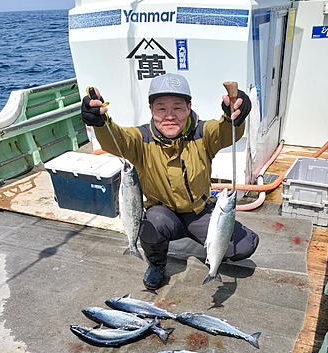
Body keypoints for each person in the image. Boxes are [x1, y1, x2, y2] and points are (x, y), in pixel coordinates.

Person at [81, 73, 259, 290]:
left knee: (245, 245)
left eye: (177, 107)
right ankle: (156, 263)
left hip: (200, 213)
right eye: (161, 108)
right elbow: (115, 138)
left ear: (189, 107)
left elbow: (226, 130)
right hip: (163, 216)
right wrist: (100, 122)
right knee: (149, 225)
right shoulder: (140, 139)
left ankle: (208, 245)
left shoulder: (203, 133)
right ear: (151, 110)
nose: (170, 115)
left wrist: (235, 113)